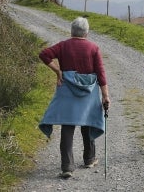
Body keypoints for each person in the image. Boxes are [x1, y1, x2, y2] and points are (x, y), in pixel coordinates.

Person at [38, 16, 111, 179]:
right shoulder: (93, 48)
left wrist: (58, 71)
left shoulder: (63, 46)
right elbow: (101, 74)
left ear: (72, 31)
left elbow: (44, 55)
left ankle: (67, 167)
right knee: (88, 123)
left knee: (68, 127)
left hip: (67, 92)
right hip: (88, 93)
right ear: (87, 32)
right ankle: (89, 159)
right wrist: (105, 96)